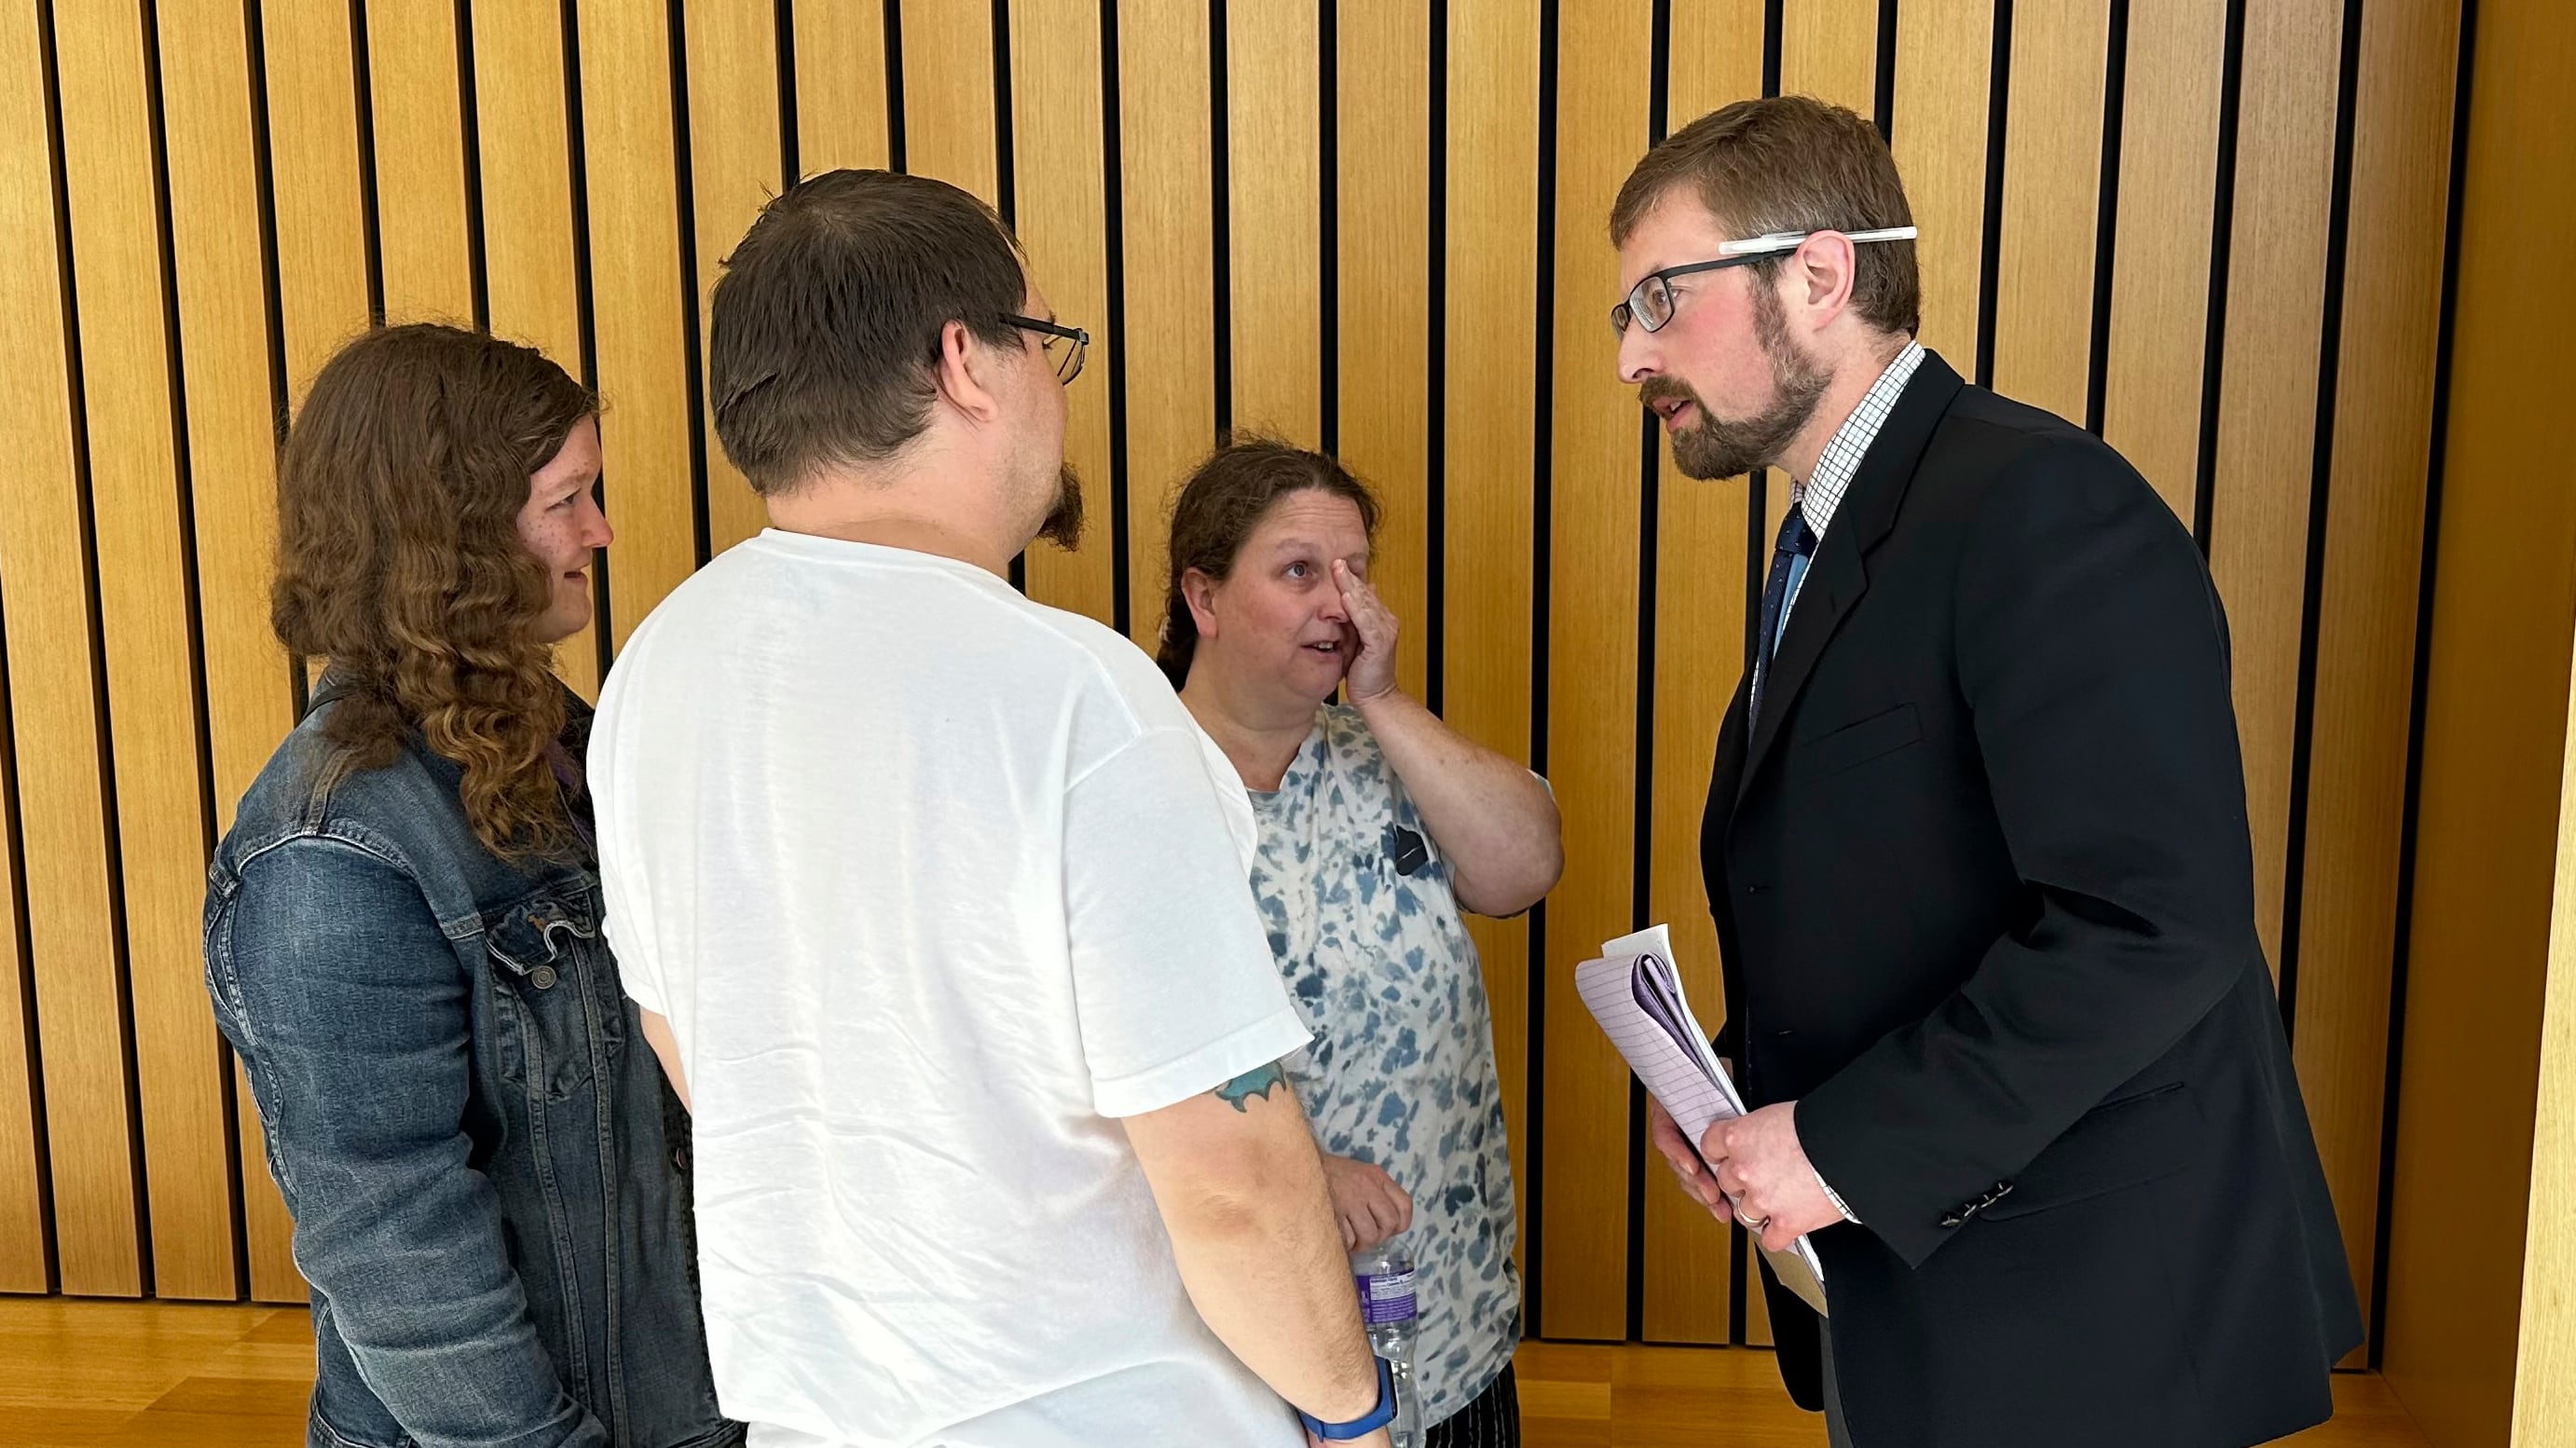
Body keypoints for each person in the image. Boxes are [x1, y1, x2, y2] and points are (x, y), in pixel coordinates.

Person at [585, 171, 1393, 1448]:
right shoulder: (1075, 695)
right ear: (966, 362)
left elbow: (693, 1041)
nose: (1057, 393)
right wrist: (1354, 1414)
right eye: (1047, 345)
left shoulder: (656, 669)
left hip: (820, 1415)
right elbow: (1229, 1172)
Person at [1610, 97, 2364, 1448]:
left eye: (1660, 297)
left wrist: (1840, 1144)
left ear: (1819, 275)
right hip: (1925, 1291)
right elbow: (1907, 887)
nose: (1630, 356)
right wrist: (1738, 1093)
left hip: (2088, 1323)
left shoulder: (2039, 505)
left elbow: (2150, 924)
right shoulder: (1834, 535)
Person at [203, 323, 736, 1448]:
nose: (600, 531)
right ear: (452, 536)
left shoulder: (574, 746)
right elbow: (395, 1239)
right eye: (567, 501)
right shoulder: (328, 852)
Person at [1159, 440, 1562, 1444]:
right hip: (1249, 1351)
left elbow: (1524, 869)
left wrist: (1380, 701)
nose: (1341, 604)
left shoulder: (1383, 758)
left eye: (1355, 573)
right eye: (1300, 571)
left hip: (1446, 1309)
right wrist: (1298, 1171)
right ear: (1204, 598)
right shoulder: (1135, 782)